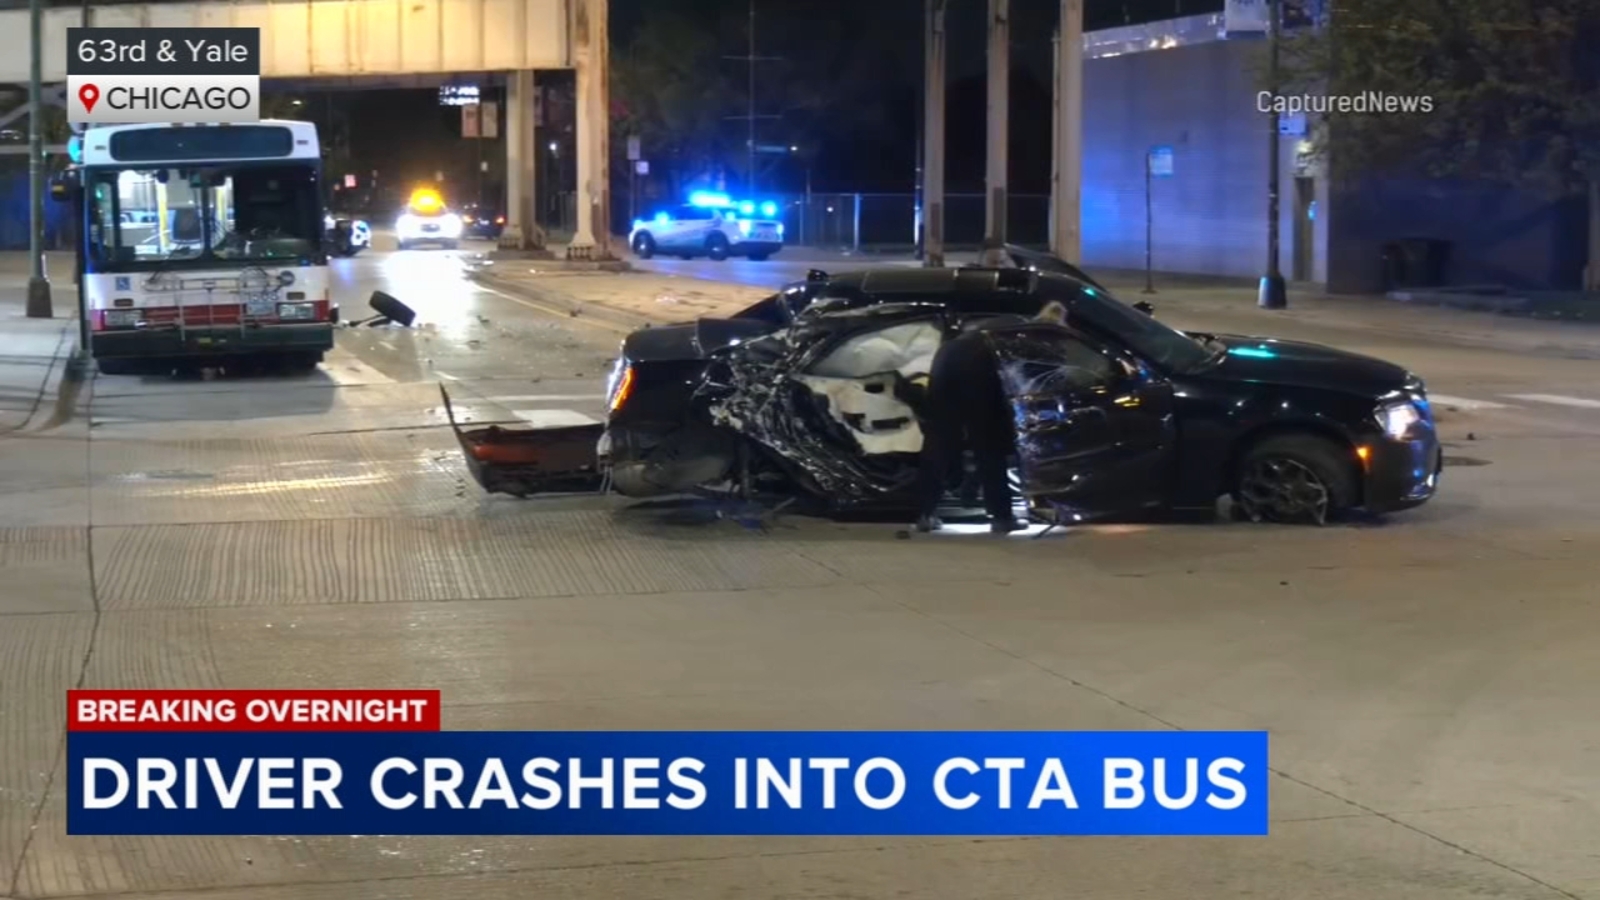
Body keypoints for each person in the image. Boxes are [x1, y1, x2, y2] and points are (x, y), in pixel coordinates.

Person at [899, 300, 1070, 534]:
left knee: (939, 441)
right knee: (990, 448)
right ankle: (1001, 517)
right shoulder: (1034, 340)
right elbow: (1035, 383)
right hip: (978, 369)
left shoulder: (1011, 323)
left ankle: (924, 514)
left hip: (947, 357)